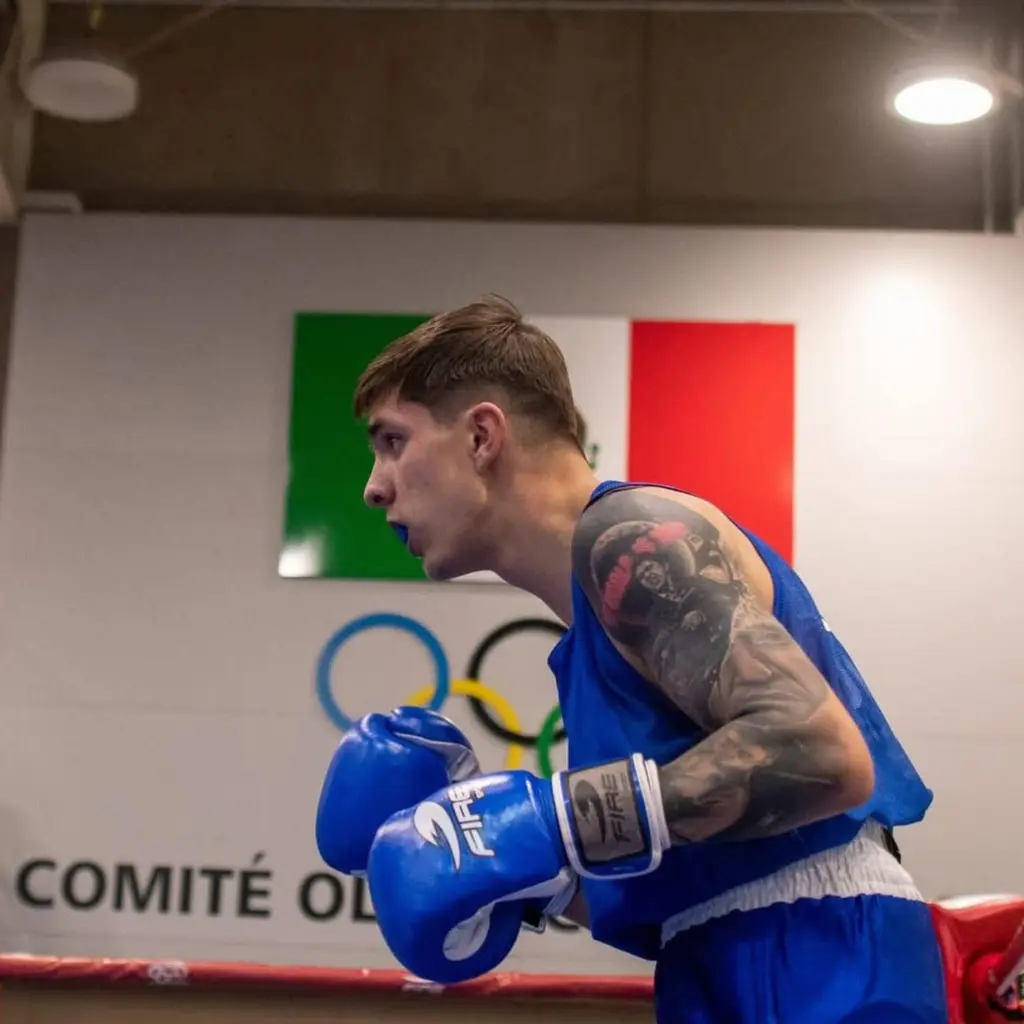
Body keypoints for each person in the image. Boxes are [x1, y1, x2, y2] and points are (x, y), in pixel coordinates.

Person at [315, 295, 949, 1022]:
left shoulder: (634, 541)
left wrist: (551, 820)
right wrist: (519, 872)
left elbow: (820, 753)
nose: (374, 486)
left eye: (393, 441)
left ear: (482, 436)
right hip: (723, 953)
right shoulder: (589, 633)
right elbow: (697, 870)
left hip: (818, 951)